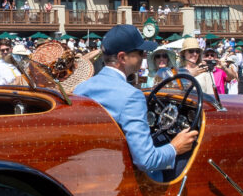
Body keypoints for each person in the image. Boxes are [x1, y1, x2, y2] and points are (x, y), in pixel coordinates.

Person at [73, 25, 197, 182]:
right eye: (140, 52)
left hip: (94, 167)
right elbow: (146, 160)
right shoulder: (132, 97)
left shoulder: (81, 88)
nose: (145, 55)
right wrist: (175, 147)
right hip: (127, 176)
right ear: (122, 58)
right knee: (191, 156)